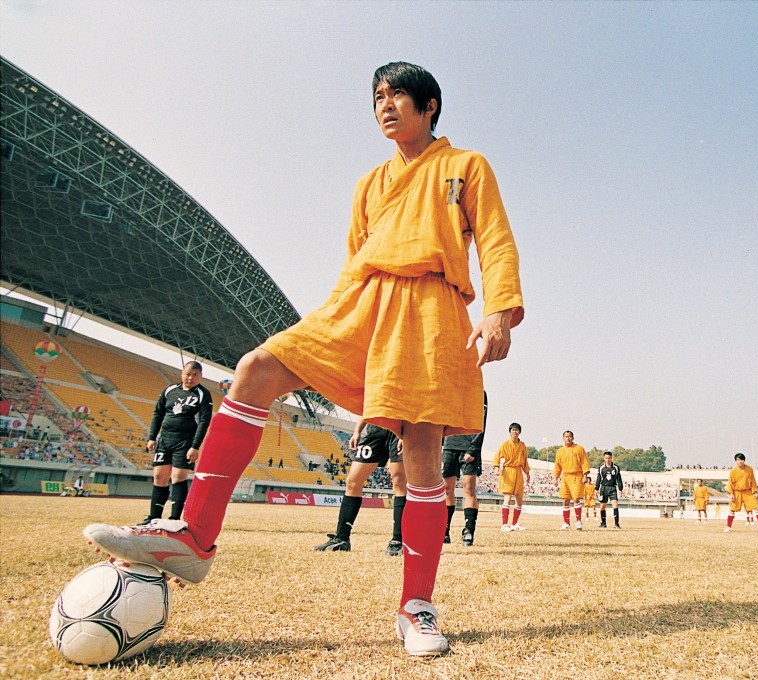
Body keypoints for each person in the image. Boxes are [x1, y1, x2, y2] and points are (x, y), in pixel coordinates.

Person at [84, 61, 524, 657]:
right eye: (377, 97)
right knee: (257, 367)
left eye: (398, 96)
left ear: (430, 107)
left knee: (421, 448)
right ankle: (193, 534)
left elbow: (495, 237)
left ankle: (416, 606)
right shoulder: (369, 184)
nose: (385, 105)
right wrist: (332, 319)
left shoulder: (465, 166)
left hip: (432, 307)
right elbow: (352, 258)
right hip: (361, 300)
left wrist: (498, 311)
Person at [314, 417, 406, 556]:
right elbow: (368, 405)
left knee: (399, 482)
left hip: (399, 428)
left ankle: (398, 541)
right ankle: (342, 538)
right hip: (375, 429)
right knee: (353, 481)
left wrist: (407, 432)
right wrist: (357, 431)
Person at [141, 362, 213, 524]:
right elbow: (158, 413)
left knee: (178, 477)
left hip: (185, 441)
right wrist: (152, 437)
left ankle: (174, 518)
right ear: (182, 373)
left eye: (195, 375)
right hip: (165, 439)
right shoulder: (170, 390)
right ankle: (154, 517)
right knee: (159, 477)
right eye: (188, 374)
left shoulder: (202, 394)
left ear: (200, 376)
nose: (191, 378)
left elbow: (204, 421)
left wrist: (195, 446)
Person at [442, 392, 486, 546]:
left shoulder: (479, 393)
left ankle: (468, 530)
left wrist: (473, 449)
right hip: (449, 446)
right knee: (447, 489)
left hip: (468, 446)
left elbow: (482, 423)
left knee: (469, 488)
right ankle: (444, 530)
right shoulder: (448, 389)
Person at [494, 422, 530, 531]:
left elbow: (525, 460)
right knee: (507, 497)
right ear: (510, 432)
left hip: (518, 472)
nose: (515, 432)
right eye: (513, 430)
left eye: (517, 430)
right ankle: (504, 524)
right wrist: (496, 467)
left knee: (519, 499)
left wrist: (527, 473)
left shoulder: (523, 445)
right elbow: (497, 457)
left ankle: (515, 524)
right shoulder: (505, 444)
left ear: (519, 432)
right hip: (508, 471)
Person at [553, 431, 589, 530]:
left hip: (577, 476)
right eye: (566, 436)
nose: (568, 438)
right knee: (565, 500)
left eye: (569, 436)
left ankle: (578, 521)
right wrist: (556, 478)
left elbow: (584, 462)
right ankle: (566, 523)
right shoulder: (560, 451)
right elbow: (557, 466)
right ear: (563, 438)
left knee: (576, 498)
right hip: (565, 477)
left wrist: (585, 475)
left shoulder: (579, 449)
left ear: (573, 438)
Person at [725, 453, 758, 533]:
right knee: (732, 509)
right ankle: (728, 527)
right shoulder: (733, 471)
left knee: (757, 507)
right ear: (736, 461)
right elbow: (730, 482)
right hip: (737, 492)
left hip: (748, 491)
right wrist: (731, 494)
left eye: (741, 459)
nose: (740, 461)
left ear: (744, 460)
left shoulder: (749, 469)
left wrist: (755, 492)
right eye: (738, 460)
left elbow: (753, 481)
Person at [595, 451, 623, 528]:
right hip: (603, 488)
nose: (608, 460)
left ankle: (616, 524)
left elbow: (619, 479)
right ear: (604, 458)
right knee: (602, 506)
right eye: (606, 458)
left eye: (609, 458)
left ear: (611, 458)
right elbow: (599, 478)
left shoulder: (615, 468)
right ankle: (603, 523)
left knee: (615, 505)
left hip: (612, 488)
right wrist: (596, 489)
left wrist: (620, 489)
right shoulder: (601, 468)